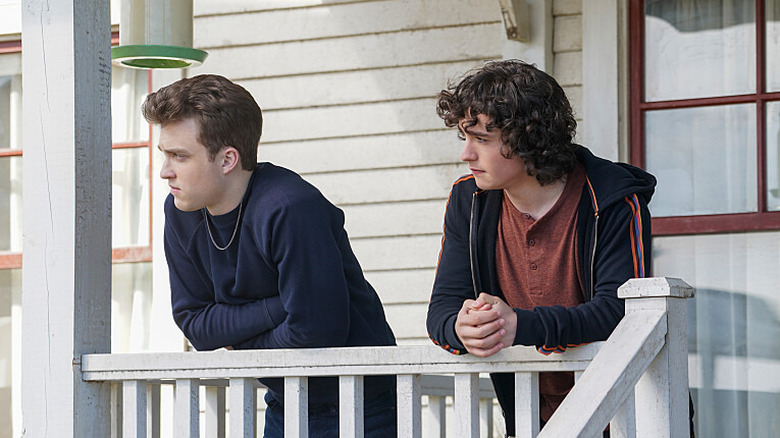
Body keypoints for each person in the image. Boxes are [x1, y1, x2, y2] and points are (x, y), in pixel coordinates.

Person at [143, 74, 397, 437]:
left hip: (362, 405)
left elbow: (315, 333)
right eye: (165, 155)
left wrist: (237, 340)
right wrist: (278, 308)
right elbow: (194, 322)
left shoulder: (290, 207)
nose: (166, 171)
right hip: (284, 401)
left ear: (228, 159)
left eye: (179, 156)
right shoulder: (180, 211)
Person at [425, 60, 658, 436]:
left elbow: (621, 314)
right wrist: (461, 327)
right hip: (530, 420)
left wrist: (519, 326)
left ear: (527, 137)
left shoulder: (614, 198)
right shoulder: (467, 201)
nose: (466, 154)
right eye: (465, 138)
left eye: (482, 139)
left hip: (628, 416)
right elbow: (442, 309)